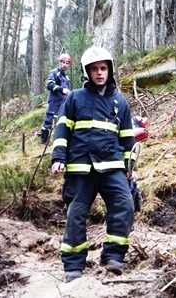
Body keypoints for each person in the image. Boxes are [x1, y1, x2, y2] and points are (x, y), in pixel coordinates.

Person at [51, 46, 136, 282]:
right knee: (76, 215)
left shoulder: (120, 102)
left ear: (109, 71)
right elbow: (61, 131)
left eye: (103, 68)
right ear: (87, 72)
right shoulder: (74, 98)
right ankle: (73, 266)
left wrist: (130, 169)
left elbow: (128, 141)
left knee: (125, 205)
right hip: (80, 168)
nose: (99, 73)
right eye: (95, 69)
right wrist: (58, 158)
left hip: (112, 167)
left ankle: (113, 257)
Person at [39, 53, 72, 144]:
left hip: (63, 101)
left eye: (67, 63)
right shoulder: (54, 72)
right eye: (63, 62)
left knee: (61, 119)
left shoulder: (66, 77)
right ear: (60, 62)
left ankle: (58, 138)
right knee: (49, 119)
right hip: (54, 100)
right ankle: (44, 140)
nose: (65, 65)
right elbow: (49, 85)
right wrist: (62, 90)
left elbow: (67, 89)